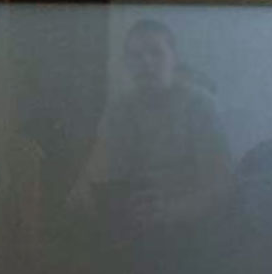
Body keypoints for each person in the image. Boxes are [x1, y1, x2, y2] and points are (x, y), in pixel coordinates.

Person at [69, 18, 230, 231]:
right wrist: (81, 198)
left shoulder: (200, 106)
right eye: (136, 56)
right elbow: (95, 170)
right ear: (127, 63)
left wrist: (171, 214)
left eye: (156, 53)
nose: (146, 62)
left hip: (188, 225)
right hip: (129, 220)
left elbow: (220, 185)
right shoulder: (119, 109)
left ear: (173, 58)